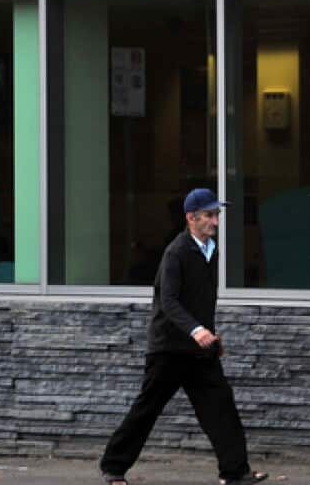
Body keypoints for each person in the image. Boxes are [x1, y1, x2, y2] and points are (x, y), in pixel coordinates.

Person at [99, 188, 267, 485]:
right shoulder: (176, 252)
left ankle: (235, 472)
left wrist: (210, 334)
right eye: (210, 215)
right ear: (191, 218)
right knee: (147, 409)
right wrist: (197, 330)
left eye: (217, 215)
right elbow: (170, 301)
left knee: (221, 407)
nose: (216, 221)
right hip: (169, 349)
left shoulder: (211, 250)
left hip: (200, 350)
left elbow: (200, 299)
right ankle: (113, 467)